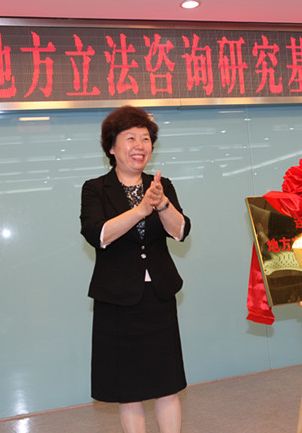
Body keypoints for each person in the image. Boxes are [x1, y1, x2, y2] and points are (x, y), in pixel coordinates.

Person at [80, 106, 191, 433]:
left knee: (167, 385)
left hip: (158, 296)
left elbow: (180, 231)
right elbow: (98, 234)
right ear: (112, 147)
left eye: (145, 138)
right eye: (130, 138)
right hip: (117, 301)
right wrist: (141, 210)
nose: (139, 145)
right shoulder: (95, 188)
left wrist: (162, 204)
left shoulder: (161, 185)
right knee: (128, 391)